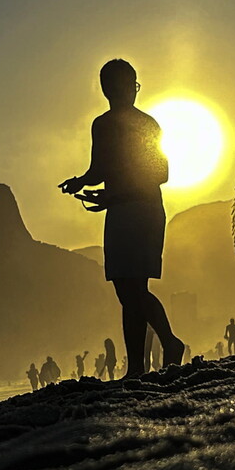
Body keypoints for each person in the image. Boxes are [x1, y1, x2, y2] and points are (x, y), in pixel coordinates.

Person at [59, 59, 184, 377]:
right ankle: (138, 366)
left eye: (134, 85)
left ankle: (170, 343)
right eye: (129, 85)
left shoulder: (140, 125)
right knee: (127, 291)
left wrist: (114, 196)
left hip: (138, 211)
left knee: (133, 289)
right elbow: (99, 170)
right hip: (125, 211)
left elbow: (160, 173)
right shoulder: (107, 125)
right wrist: (80, 182)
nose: (132, 91)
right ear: (111, 88)